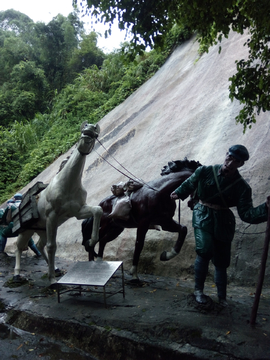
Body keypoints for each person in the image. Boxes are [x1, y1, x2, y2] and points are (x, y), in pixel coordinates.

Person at [170, 145, 269, 307]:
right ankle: (198, 291)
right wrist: (177, 193)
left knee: (222, 260)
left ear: (240, 165)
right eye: (229, 158)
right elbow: (189, 183)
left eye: (236, 162)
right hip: (203, 214)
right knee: (204, 249)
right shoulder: (205, 171)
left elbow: (247, 213)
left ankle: (222, 297)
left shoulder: (242, 187)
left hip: (224, 220)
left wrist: (265, 208)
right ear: (226, 155)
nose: (230, 164)